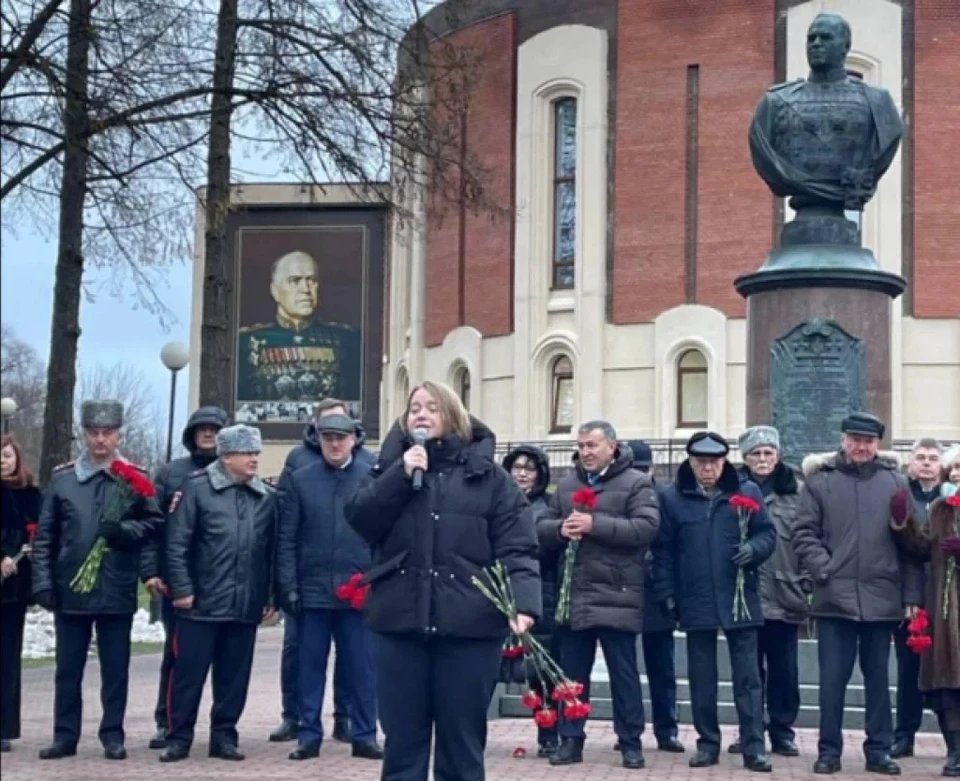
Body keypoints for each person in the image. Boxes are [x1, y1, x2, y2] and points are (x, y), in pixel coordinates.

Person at [345, 381, 541, 781]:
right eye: (414, 407)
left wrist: (523, 604)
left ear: (453, 415)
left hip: (469, 628)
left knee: (462, 744)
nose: (421, 414)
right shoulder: (387, 469)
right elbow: (361, 520)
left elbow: (518, 546)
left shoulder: (490, 479)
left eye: (432, 407)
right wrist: (400, 476)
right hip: (400, 624)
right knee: (402, 743)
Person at [31, 400, 164, 761]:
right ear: (85, 434)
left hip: (116, 586)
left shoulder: (133, 476)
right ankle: (65, 735)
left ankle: (112, 735)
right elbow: (45, 536)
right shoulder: (63, 479)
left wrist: (123, 530)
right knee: (68, 669)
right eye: (94, 433)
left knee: (115, 669)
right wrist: (42, 581)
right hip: (71, 586)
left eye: (108, 433)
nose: (101, 440)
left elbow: (154, 526)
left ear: (118, 434)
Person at [793, 412, 923, 775]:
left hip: (882, 599)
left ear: (877, 444)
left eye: (868, 440)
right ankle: (829, 750)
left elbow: (911, 548)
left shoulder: (895, 483)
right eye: (855, 439)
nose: (861, 446)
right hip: (834, 598)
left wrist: (910, 596)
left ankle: (879, 750)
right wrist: (825, 569)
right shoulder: (820, 482)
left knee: (879, 681)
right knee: (832, 682)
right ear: (843, 440)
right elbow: (803, 533)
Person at [539, 421, 660, 770]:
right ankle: (570, 739)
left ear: (612, 446)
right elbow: (541, 527)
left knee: (624, 674)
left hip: (617, 594)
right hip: (575, 595)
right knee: (572, 675)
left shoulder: (636, 483)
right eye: (581, 445)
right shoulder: (567, 484)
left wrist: (596, 525)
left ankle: (630, 742)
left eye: (592, 445)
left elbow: (646, 528)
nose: (586, 452)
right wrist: (559, 529)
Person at [653, 431, 776, 773]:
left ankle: (754, 746)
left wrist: (753, 550)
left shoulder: (747, 491)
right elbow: (662, 549)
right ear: (691, 462)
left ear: (724, 461)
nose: (708, 469)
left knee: (748, 678)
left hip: (739, 597)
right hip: (696, 596)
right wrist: (666, 592)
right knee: (702, 677)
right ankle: (708, 743)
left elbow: (767, 533)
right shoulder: (672, 497)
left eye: (714, 462)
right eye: (701, 462)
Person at [160, 424, 277, 763]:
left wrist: (269, 595)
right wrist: (181, 589)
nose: (254, 459)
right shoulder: (196, 488)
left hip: (244, 603)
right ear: (227, 457)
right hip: (199, 604)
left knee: (233, 678)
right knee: (187, 676)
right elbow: (177, 543)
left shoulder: (265, 497)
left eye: (256, 452)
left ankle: (224, 736)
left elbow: (269, 551)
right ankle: (178, 737)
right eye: (247, 453)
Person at [277, 411, 382, 761]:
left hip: (358, 591)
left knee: (363, 668)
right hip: (312, 590)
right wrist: (288, 587)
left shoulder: (372, 476)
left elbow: (384, 537)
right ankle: (308, 734)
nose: (335, 444)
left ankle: (364, 734)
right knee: (310, 667)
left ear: (354, 438)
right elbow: (286, 538)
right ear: (318, 440)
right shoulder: (300, 479)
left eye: (341, 437)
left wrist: (375, 579)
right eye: (328, 438)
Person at [270, 397, 356, 744]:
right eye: (327, 428)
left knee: (351, 657)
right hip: (309, 579)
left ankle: (345, 716)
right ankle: (295, 716)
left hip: (348, 580)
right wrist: (286, 583)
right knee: (298, 653)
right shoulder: (298, 460)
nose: (334, 437)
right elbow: (285, 521)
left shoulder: (363, 463)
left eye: (341, 427)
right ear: (316, 428)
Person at [148, 405, 229, 750]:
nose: (208, 435)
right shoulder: (171, 473)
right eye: (202, 429)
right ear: (192, 434)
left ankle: (222, 730)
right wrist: (151, 570)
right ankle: (167, 722)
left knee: (225, 660)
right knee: (178, 656)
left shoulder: (233, 472)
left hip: (223, 581)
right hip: (179, 580)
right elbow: (154, 526)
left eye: (215, 429)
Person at [733, 426, 809, 758]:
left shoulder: (798, 492)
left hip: (785, 591)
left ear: (777, 455)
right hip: (743, 595)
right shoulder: (732, 489)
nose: (762, 459)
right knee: (748, 671)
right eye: (755, 454)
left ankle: (782, 730)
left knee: (784, 671)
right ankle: (749, 731)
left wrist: (807, 583)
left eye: (768, 453)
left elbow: (809, 539)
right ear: (745, 458)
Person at [890, 479, 960, 777]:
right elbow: (920, 548)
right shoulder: (941, 509)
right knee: (946, 686)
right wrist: (901, 520)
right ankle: (956, 749)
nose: (957, 474)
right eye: (953, 469)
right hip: (945, 617)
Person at [236, 250, 361, 404]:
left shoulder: (346, 339)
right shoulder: (246, 341)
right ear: (275, 291)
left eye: (312, 280)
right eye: (295, 281)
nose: (306, 289)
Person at [625, 439, 685, 755]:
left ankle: (666, 730)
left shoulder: (665, 498)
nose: (636, 474)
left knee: (661, 667)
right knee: (625, 668)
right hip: (622, 589)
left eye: (640, 469)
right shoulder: (618, 492)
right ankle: (629, 730)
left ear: (650, 469)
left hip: (656, 590)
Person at [502, 443, 559, 758]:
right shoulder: (496, 502)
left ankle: (548, 733)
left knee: (542, 671)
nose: (522, 474)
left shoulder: (548, 507)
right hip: (498, 592)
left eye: (529, 468)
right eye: (516, 468)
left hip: (540, 594)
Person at [891, 438, 943, 759]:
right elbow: (903, 555)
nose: (926, 463)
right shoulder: (901, 498)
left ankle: (952, 738)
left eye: (933, 458)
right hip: (912, 600)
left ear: (941, 464)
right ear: (911, 463)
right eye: (921, 457)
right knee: (908, 671)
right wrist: (908, 596)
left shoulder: (951, 497)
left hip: (948, 599)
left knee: (948, 669)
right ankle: (904, 735)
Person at [1, 434, 42, 753]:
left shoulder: (31, 494)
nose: (3, 460)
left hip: (14, 590)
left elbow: (39, 529)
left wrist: (25, 551)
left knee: (7, 658)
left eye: (8, 455)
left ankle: (4, 727)